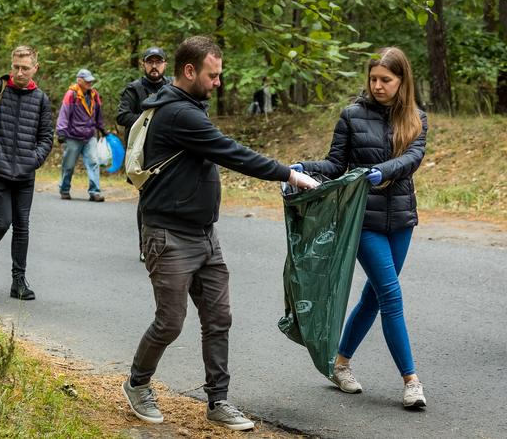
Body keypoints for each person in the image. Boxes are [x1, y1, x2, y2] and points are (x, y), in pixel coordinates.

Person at [121, 36, 319, 431]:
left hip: (204, 235)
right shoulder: (179, 113)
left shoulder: (190, 107)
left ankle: (218, 401)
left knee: (218, 318)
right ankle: (137, 383)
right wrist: (290, 175)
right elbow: (232, 152)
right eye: (212, 75)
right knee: (170, 321)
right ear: (190, 71)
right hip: (169, 234)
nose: (218, 83)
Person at [291, 46, 427, 408]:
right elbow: (336, 165)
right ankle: (411, 381)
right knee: (391, 295)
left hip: (401, 218)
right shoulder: (352, 115)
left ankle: (341, 363)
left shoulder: (416, 118)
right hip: (362, 219)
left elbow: (413, 158)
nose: (378, 86)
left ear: (402, 81)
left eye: (386, 80)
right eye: (373, 79)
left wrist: (386, 170)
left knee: (374, 296)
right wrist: (304, 167)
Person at [0, 45, 53, 301]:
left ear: (35, 68)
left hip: (25, 173)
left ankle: (19, 281)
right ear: (11, 65)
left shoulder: (40, 98)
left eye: (25, 68)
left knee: (22, 226)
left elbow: (46, 137)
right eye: (16, 66)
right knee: (2, 222)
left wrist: (34, 159)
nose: (19, 72)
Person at [116, 46, 172, 262]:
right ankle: (145, 246)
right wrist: (148, 123)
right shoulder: (134, 89)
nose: (154, 66)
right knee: (147, 199)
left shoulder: (172, 87)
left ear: (165, 64)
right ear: (144, 64)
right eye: (151, 62)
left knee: (169, 198)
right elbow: (122, 116)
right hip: (142, 154)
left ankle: (168, 245)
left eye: (159, 62)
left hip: (168, 152)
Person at [56, 68, 107, 202]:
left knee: (94, 162)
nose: (90, 83)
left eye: (91, 80)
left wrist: (102, 128)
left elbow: (98, 114)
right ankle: (64, 189)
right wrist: (61, 131)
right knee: (69, 165)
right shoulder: (71, 94)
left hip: (90, 135)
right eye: (87, 81)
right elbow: (64, 113)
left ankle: (94, 192)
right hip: (73, 136)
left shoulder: (94, 95)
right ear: (79, 81)